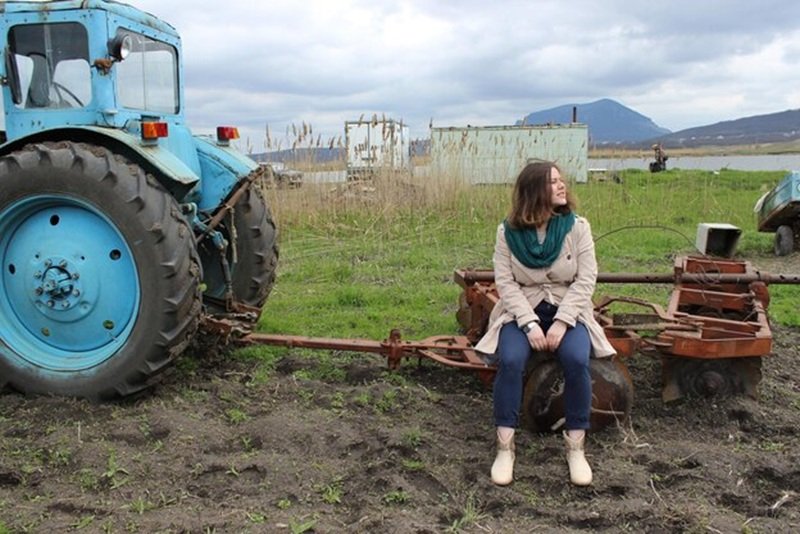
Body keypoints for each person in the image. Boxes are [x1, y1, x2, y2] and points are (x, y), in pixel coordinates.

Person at [474, 161, 616, 487]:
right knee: (509, 361)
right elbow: (506, 284)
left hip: (569, 308)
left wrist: (563, 322)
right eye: (553, 182)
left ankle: (576, 447)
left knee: (577, 360)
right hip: (522, 310)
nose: (562, 185)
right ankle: (505, 447)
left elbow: (586, 279)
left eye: (560, 180)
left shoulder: (577, 227)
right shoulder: (506, 233)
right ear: (534, 190)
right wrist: (528, 324)